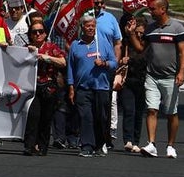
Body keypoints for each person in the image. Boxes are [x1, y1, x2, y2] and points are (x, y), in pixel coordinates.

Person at [128, 0, 184, 159]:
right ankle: (152, 144)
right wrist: (131, 33)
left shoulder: (177, 28)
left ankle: (170, 146)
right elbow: (140, 48)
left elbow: (183, 53)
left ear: (163, 9)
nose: (150, 11)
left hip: (170, 77)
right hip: (152, 76)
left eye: (153, 9)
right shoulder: (150, 29)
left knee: (171, 113)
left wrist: (181, 72)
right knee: (151, 109)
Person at [67, 14, 115, 157]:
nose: (90, 28)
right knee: (85, 116)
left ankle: (100, 144)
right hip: (83, 88)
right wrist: (71, 87)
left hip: (101, 87)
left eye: (93, 26)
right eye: (88, 26)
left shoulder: (104, 43)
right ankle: (87, 145)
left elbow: (114, 63)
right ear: (82, 27)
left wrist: (104, 63)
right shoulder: (75, 45)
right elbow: (70, 68)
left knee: (101, 117)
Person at [23, 18, 66, 156]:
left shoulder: (52, 48)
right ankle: (29, 145)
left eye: (40, 31)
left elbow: (62, 62)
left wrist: (46, 57)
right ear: (30, 34)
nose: (37, 34)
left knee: (46, 118)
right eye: (34, 32)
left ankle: (42, 146)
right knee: (33, 116)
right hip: (32, 87)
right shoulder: (26, 49)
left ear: (45, 34)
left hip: (48, 87)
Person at [117, 10, 148, 153]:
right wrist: (122, 60)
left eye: (142, 32)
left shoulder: (147, 44)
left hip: (142, 80)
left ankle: (136, 140)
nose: (139, 35)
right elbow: (119, 55)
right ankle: (128, 140)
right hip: (128, 80)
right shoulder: (127, 42)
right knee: (129, 110)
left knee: (139, 112)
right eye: (137, 32)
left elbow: (144, 57)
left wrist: (132, 59)